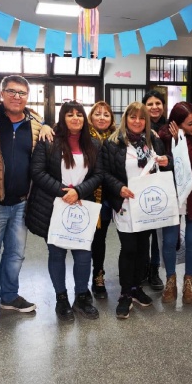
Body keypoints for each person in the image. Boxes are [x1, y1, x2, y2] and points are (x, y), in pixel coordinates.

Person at [0, 74, 54, 328]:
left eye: (22, 93)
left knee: (15, 255)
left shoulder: (35, 124)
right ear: (2, 93)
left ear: (27, 97)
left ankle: (9, 297)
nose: (16, 97)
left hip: (22, 202)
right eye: (11, 91)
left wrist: (45, 125)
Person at [26, 101, 103, 321]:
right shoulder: (49, 141)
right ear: (63, 118)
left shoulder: (93, 144)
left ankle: (82, 296)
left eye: (79, 114)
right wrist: (63, 192)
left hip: (81, 205)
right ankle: (61, 298)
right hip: (54, 206)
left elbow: (98, 175)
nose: (76, 118)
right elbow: (37, 172)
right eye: (70, 115)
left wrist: (78, 192)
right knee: (57, 254)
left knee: (83, 256)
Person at [101, 101, 170, 319]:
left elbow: (165, 166)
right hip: (125, 205)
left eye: (141, 118)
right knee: (129, 248)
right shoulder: (114, 143)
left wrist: (167, 161)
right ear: (126, 119)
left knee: (143, 248)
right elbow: (104, 173)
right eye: (133, 117)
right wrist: (119, 188)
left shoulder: (153, 141)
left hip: (148, 206)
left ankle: (136, 288)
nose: (137, 121)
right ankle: (124, 293)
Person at [157, 101, 192, 304]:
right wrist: (175, 140)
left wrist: (182, 139)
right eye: (189, 123)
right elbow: (166, 163)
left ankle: (189, 281)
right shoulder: (163, 136)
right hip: (172, 193)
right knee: (169, 241)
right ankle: (171, 279)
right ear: (176, 124)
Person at [88, 101, 116, 299]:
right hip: (86, 194)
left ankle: (98, 275)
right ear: (90, 117)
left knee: (99, 239)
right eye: (97, 114)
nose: (102, 117)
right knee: (82, 240)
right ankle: (81, 279)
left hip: (107, 198)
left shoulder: (117, 138)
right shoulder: (82, 136)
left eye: (106, 115)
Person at [142, 90, 168, 291]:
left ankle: (154, 269)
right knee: (143, 231)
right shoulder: (138, 126)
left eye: (158, 103)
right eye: (150, 104)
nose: (154, 107)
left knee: (158, 232)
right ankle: (142, 270)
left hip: (163, 184)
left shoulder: (170, 127)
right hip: (141, 185)